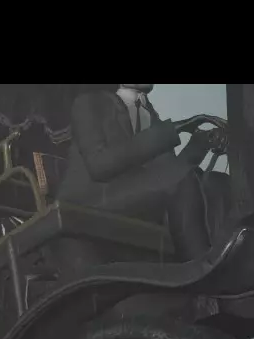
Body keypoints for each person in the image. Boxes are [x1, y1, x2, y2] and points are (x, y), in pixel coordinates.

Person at [57, 84, 226, 261]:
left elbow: (170, 171)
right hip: (91, 201)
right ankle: (201, 262)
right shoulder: (88, 103)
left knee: (216, 182)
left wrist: (200, 144)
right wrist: (175, 128)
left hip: (131, 199)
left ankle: (219, 260)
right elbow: (100, 165)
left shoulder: (149, 114)